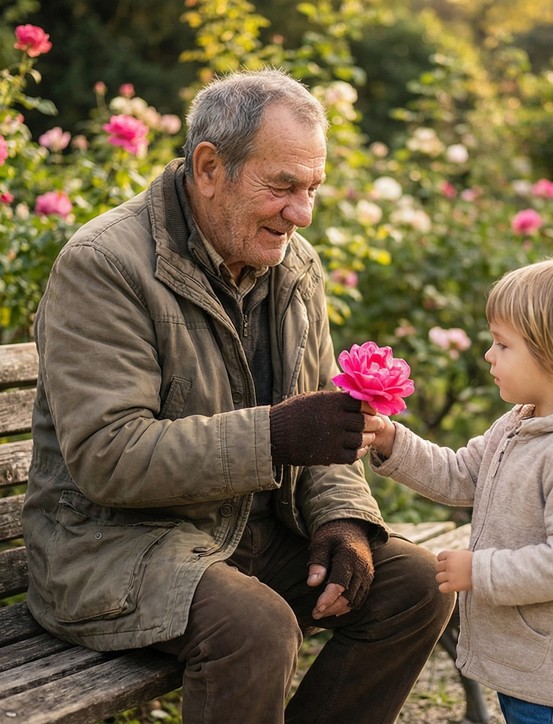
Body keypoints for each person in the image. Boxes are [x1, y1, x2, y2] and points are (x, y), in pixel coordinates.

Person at [22, 68, 455, 723]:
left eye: (312, 188)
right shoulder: (105, 265)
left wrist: (343, 521)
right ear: (208, 167)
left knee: (416, 584)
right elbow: (106, 456)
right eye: (282, 186)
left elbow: (326, 426)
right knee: (256, 627)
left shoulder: (294, 264)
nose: (301, 213)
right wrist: (274, 435)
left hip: (242, 538)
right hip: (110, 551)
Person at [364, 256, 553, 723]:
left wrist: (482, 570)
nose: (488, 355)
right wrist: (391, 441)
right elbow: (459, 473)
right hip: (528, 662)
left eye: (502, 344)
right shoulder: (520, 423)